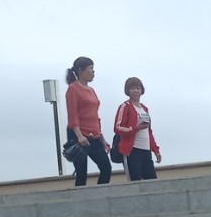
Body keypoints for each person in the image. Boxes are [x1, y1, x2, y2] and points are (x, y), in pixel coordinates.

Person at [64, 56, 111, 186]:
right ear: (81, 70)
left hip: (94, 135)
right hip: (78, 135)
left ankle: (100, 194)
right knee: (81, 173)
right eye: (90, 68)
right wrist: (79, 136)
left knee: (106, 168)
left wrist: (101, 138)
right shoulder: (73, 89)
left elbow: (94, 116)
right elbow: (72, 114)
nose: (93, 72)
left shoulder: (91, 90)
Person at [114, 77, 161, 181]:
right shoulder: (125, 106)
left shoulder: (145, 109)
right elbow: (117, 128)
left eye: (137, 88)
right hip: (132, 150)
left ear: (141, 90)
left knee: (152, 181)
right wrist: (136, 128)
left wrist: (155, 150)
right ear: (127, 91)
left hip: (146, 150)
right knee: (135, 181)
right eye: (132, 88)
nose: (135, 91)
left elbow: (149, 132)